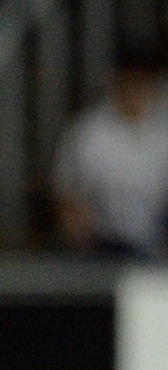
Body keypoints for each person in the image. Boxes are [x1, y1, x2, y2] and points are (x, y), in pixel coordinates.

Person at [54, 48, 168, 261]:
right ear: (117, 82)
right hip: (102, 246)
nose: (135, 90)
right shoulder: (88, 132)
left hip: (156, 244)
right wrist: (86, 240)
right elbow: (66, 199)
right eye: (129, 82)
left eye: (142, 83)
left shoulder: (163, 131)